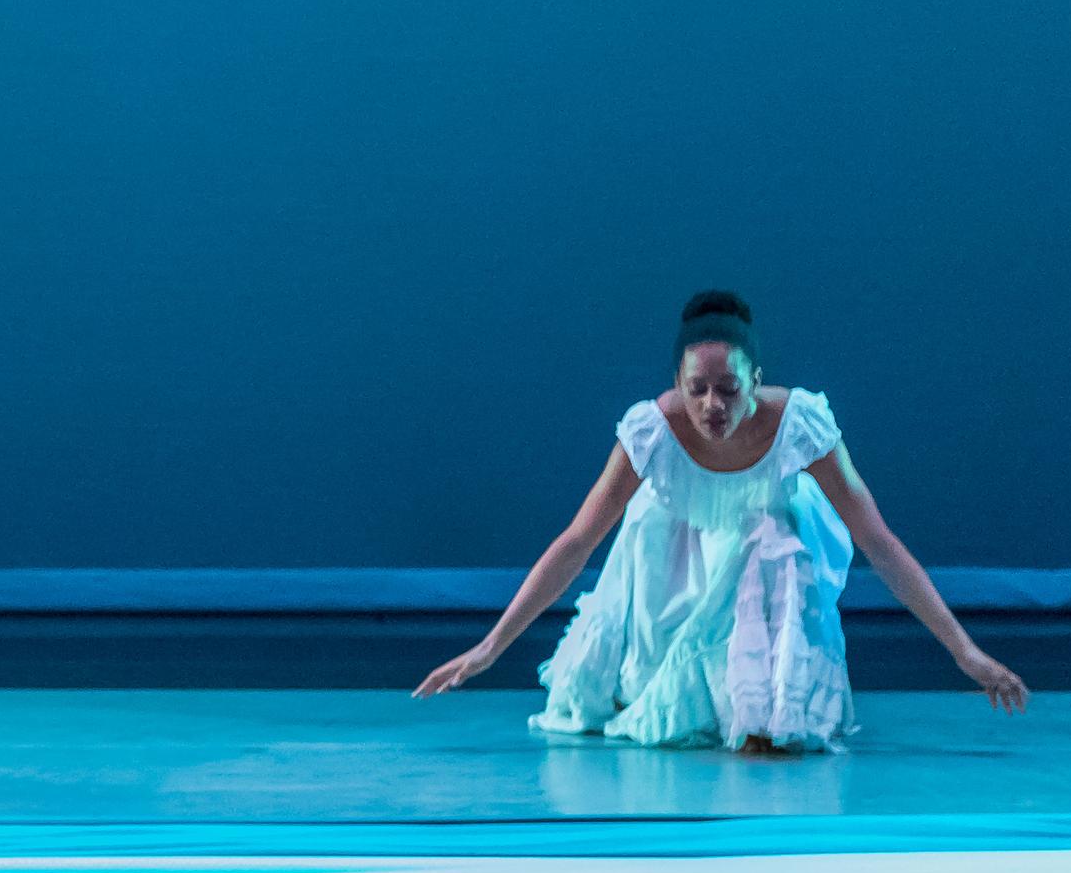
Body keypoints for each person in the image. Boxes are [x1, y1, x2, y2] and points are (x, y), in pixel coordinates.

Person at [414, 291, 1028, 751]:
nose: (712, 405)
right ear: (677, 385)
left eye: (728, 390)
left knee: (776, 541)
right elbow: (578, 541)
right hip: (673, 545)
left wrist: (965, 652)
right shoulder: (651, 431)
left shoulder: (801, 424)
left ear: (755, 382)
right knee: (648, 697)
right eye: (697, 389)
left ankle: (763, 706)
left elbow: (879, 541)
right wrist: (491, 647)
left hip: (760, 558)